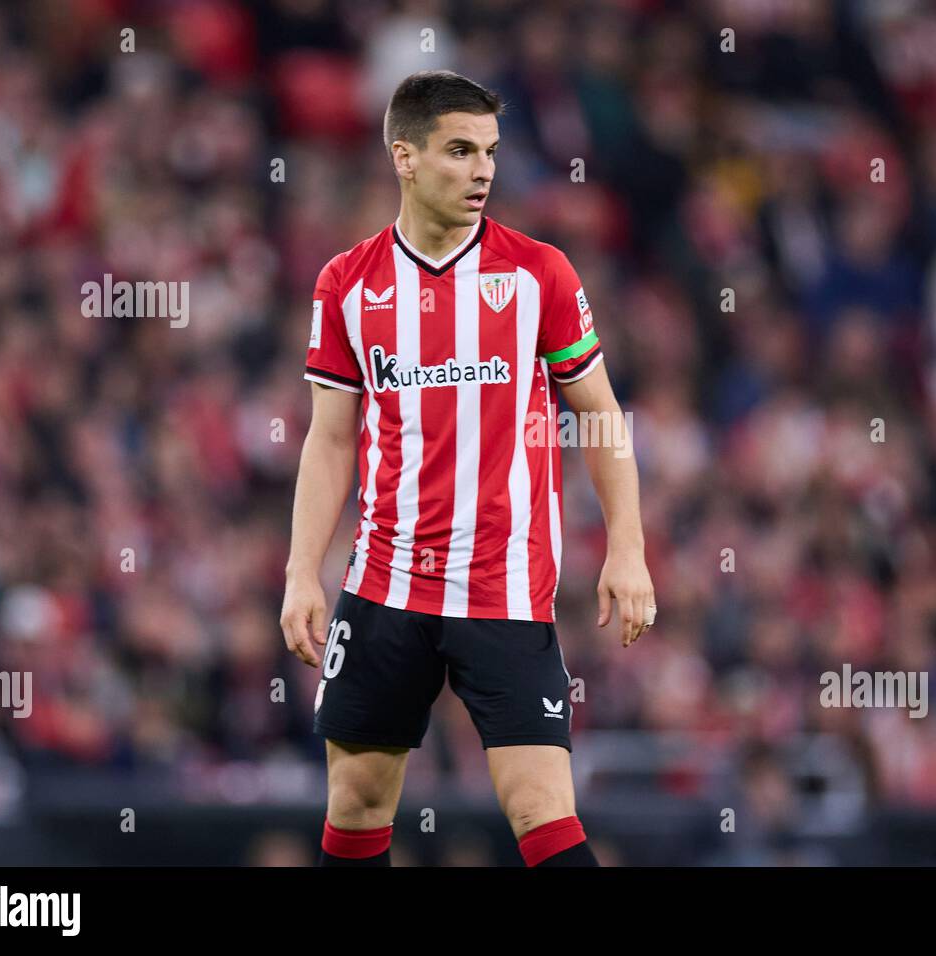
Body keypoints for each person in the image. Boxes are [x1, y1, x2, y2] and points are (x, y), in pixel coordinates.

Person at [279, 70, 656, 867]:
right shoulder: (347, 283)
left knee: (541, 808)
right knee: (355, 803)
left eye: (489, 151)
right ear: (404, 157)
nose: (483, 169)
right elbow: (330, 440)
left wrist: (627, 546)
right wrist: (301, 572)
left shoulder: (538, 274)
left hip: (505, 587)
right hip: (385, 584)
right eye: (459, 151)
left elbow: (600, 412)